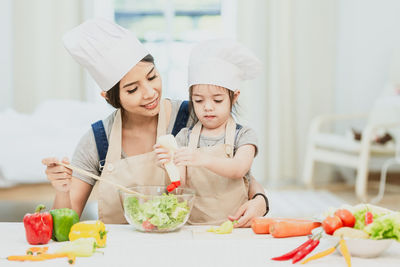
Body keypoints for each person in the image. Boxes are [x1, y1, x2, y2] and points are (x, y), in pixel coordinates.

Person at [42, 18, 268, 226]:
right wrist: (62, 190)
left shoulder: (193, 115)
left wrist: (260, 201)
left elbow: (240, 175)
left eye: (152, 77)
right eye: (132, 89)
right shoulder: (98, 140)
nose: (150, 93)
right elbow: (64, 224)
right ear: (109, 97)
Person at [154, 39, 268, 225]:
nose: (207, 107)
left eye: (217, 100)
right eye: (198, 100)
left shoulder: (244, 135)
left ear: (234, 97)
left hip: (236, 227)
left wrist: (202, 159)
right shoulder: (184, 136)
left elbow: (239, 169)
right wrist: (168, 164)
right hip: (193, 227)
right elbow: (179, 184)